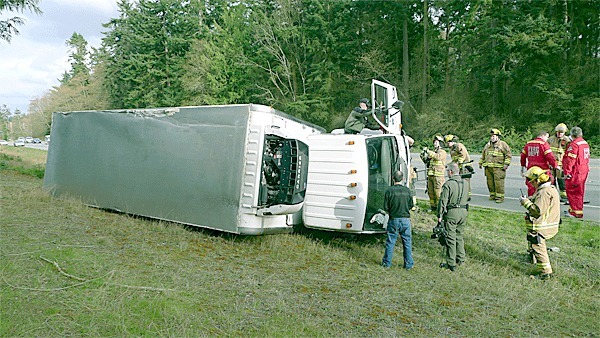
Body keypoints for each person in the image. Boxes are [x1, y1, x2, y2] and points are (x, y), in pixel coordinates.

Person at [519, 166, 560, 280]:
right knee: (534, 245)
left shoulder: (544, 193)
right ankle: (532, 259)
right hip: (548, 224)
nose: (531, 184)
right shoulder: (549, 189)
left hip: (542, 227)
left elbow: (538, 211)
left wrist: (525, 202)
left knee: (538, 247)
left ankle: (545, 273)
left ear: (537, 180)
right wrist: (532, 199)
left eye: (532, 182)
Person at [437, 162, 469, 271]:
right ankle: (461, 258)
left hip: (452, 212)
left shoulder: (448, 184)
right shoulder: (466, 183)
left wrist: (440, 215)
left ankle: (451, 262)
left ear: (450, 172)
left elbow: (443, 201)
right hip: (464, 211)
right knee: (459, 236)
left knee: (451, 237)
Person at [381, 170, 414, 270]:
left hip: (394, 219)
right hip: (405, 219)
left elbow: (386, 207)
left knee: (391, 242)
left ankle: (387, 263)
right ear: (403, 179)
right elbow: (411, 205)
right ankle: (408, 264)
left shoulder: (389, 191)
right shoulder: (407, 190)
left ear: (393, 178)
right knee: (407, 242)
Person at [561, 126, 590, 218]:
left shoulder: (574, 144)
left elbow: (570, 160)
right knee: (579, 191)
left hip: (576, 171)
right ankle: (575, 209)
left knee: (573, 191)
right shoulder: (584, 143)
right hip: (583, 170)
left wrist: (567, 172)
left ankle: (575, 212)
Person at [479, 128, 512, 203]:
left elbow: (508, 155)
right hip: (488, 168)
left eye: (494, 136)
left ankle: (499, 197)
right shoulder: (487, 145)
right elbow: (483, 155)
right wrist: (480, 163)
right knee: (490, 182)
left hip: (498, 169)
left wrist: (506, 164)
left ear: (498, 137)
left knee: (498, 183)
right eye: (491, 136)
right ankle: (492, 195)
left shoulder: (503, 145)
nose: (492, 138)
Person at [520, 130, 556, 196]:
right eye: (547, 137)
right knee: (544, 186)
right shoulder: (544, 144)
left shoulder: (528, 144)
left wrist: (523, 166)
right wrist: (555, 165)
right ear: (543, 136)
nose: (547, 139)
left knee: (531, 186)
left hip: (531, 169)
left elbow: (523, 155)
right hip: (543, 170)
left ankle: (531, 200)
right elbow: (550, 157)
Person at [421, 135, 447, 211]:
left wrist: (428, 152)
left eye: (436, 142)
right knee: (431, 192)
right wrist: (423, 155)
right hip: (431, 175)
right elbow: (427, 162)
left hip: (438, 177)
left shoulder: (442, 152)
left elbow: (438, 157)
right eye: (434, 142)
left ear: (441, 143)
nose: (434, 143)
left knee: (438, 193)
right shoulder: (433, 152)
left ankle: (440, 209)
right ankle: (433, 207)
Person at [444, 134, 473, 199]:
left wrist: (459, 162)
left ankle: (467, 196)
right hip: (459, 168)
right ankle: (461, 195)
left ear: (452, 141)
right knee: (460, 182)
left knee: (465, 182)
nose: (447, 144)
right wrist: (448, 165)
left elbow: (463, 155)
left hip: (465, 167)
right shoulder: (452, 149)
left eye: (448, 142)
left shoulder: (459, 145)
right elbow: (454, 160)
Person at [548, 123, 571, 202]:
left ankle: (564, 197)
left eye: (561, 132)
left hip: (561, 165)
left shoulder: (567, 141)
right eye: (558, 132)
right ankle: (553, 196)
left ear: (565, 132)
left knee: (561, 181)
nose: (559, 134)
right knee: (551, 181)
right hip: (551, 164)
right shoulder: (550, 140)